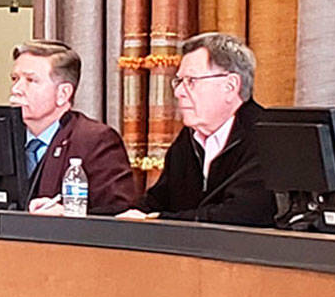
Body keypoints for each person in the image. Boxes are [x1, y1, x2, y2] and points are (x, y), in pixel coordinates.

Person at [117, 32, 275, 226]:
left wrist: (158, 220)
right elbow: (155, 203)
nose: (178, 92)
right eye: (179, 81)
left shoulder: (268, 138)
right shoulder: (189, 138)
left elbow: (242, 215)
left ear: (230, 85)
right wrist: (84, 214)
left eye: (191, 81)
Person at [15, 41, 137, 215]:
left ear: (63, 94)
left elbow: (119, 213)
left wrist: (69, 213)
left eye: (31, 80)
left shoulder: (95, 140)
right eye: (15, 79)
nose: (16, 89)